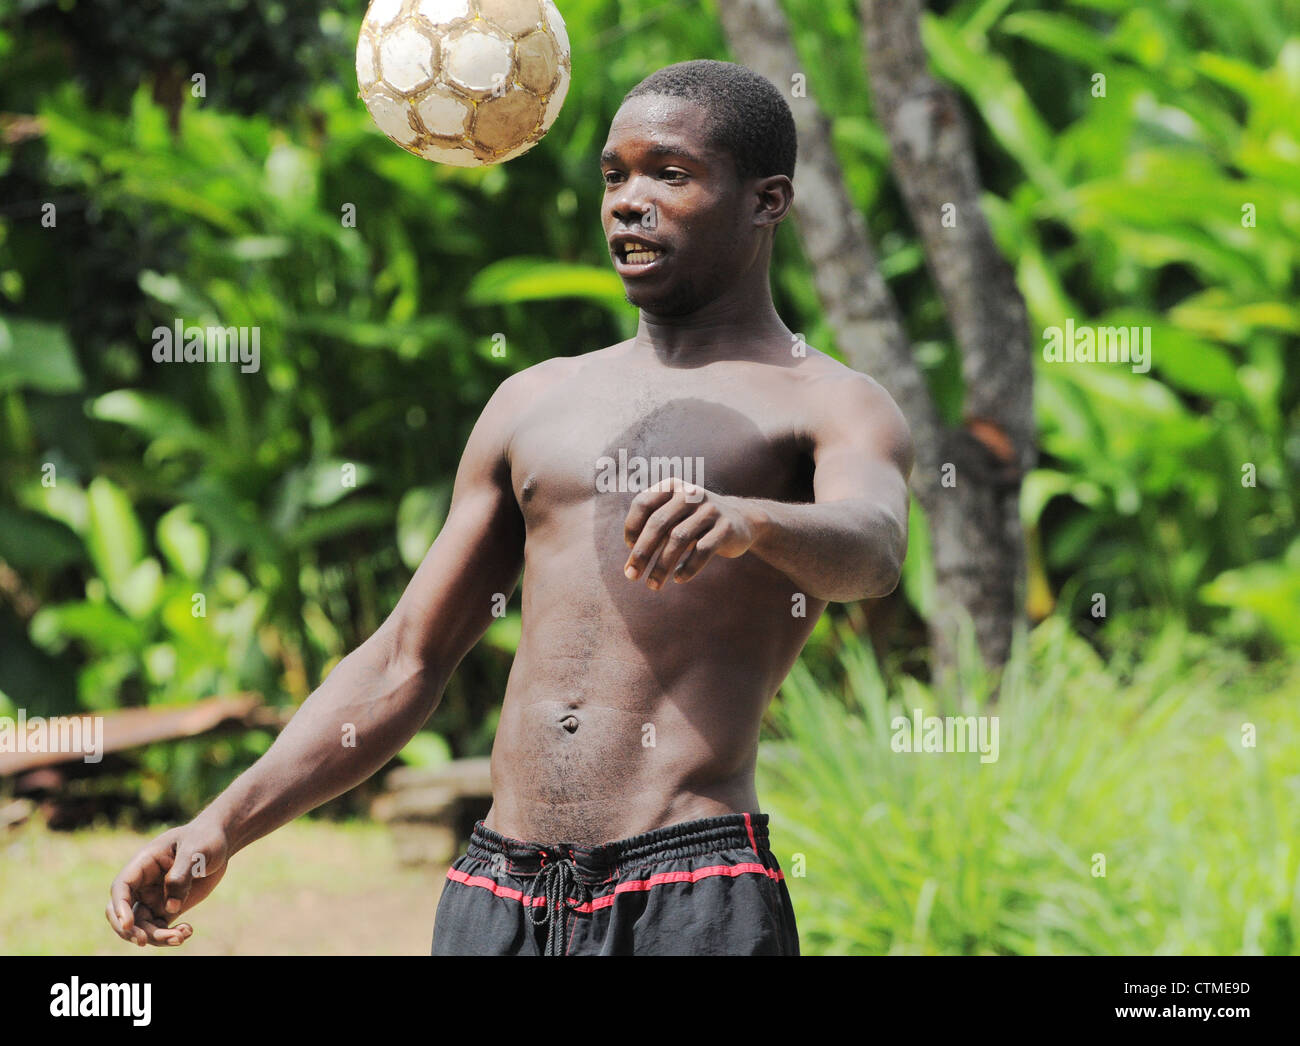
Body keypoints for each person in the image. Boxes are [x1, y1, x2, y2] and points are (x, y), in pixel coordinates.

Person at [106, 59, 913, 956]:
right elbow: (405, 660)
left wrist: (751, 521)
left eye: (669, 174)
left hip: (691, 887)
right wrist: (223, 824)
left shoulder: (828, 399)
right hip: (497, 892)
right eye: (614, 175)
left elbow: (874, 550)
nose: (627, 201)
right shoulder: (534, 402)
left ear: (767, 201)